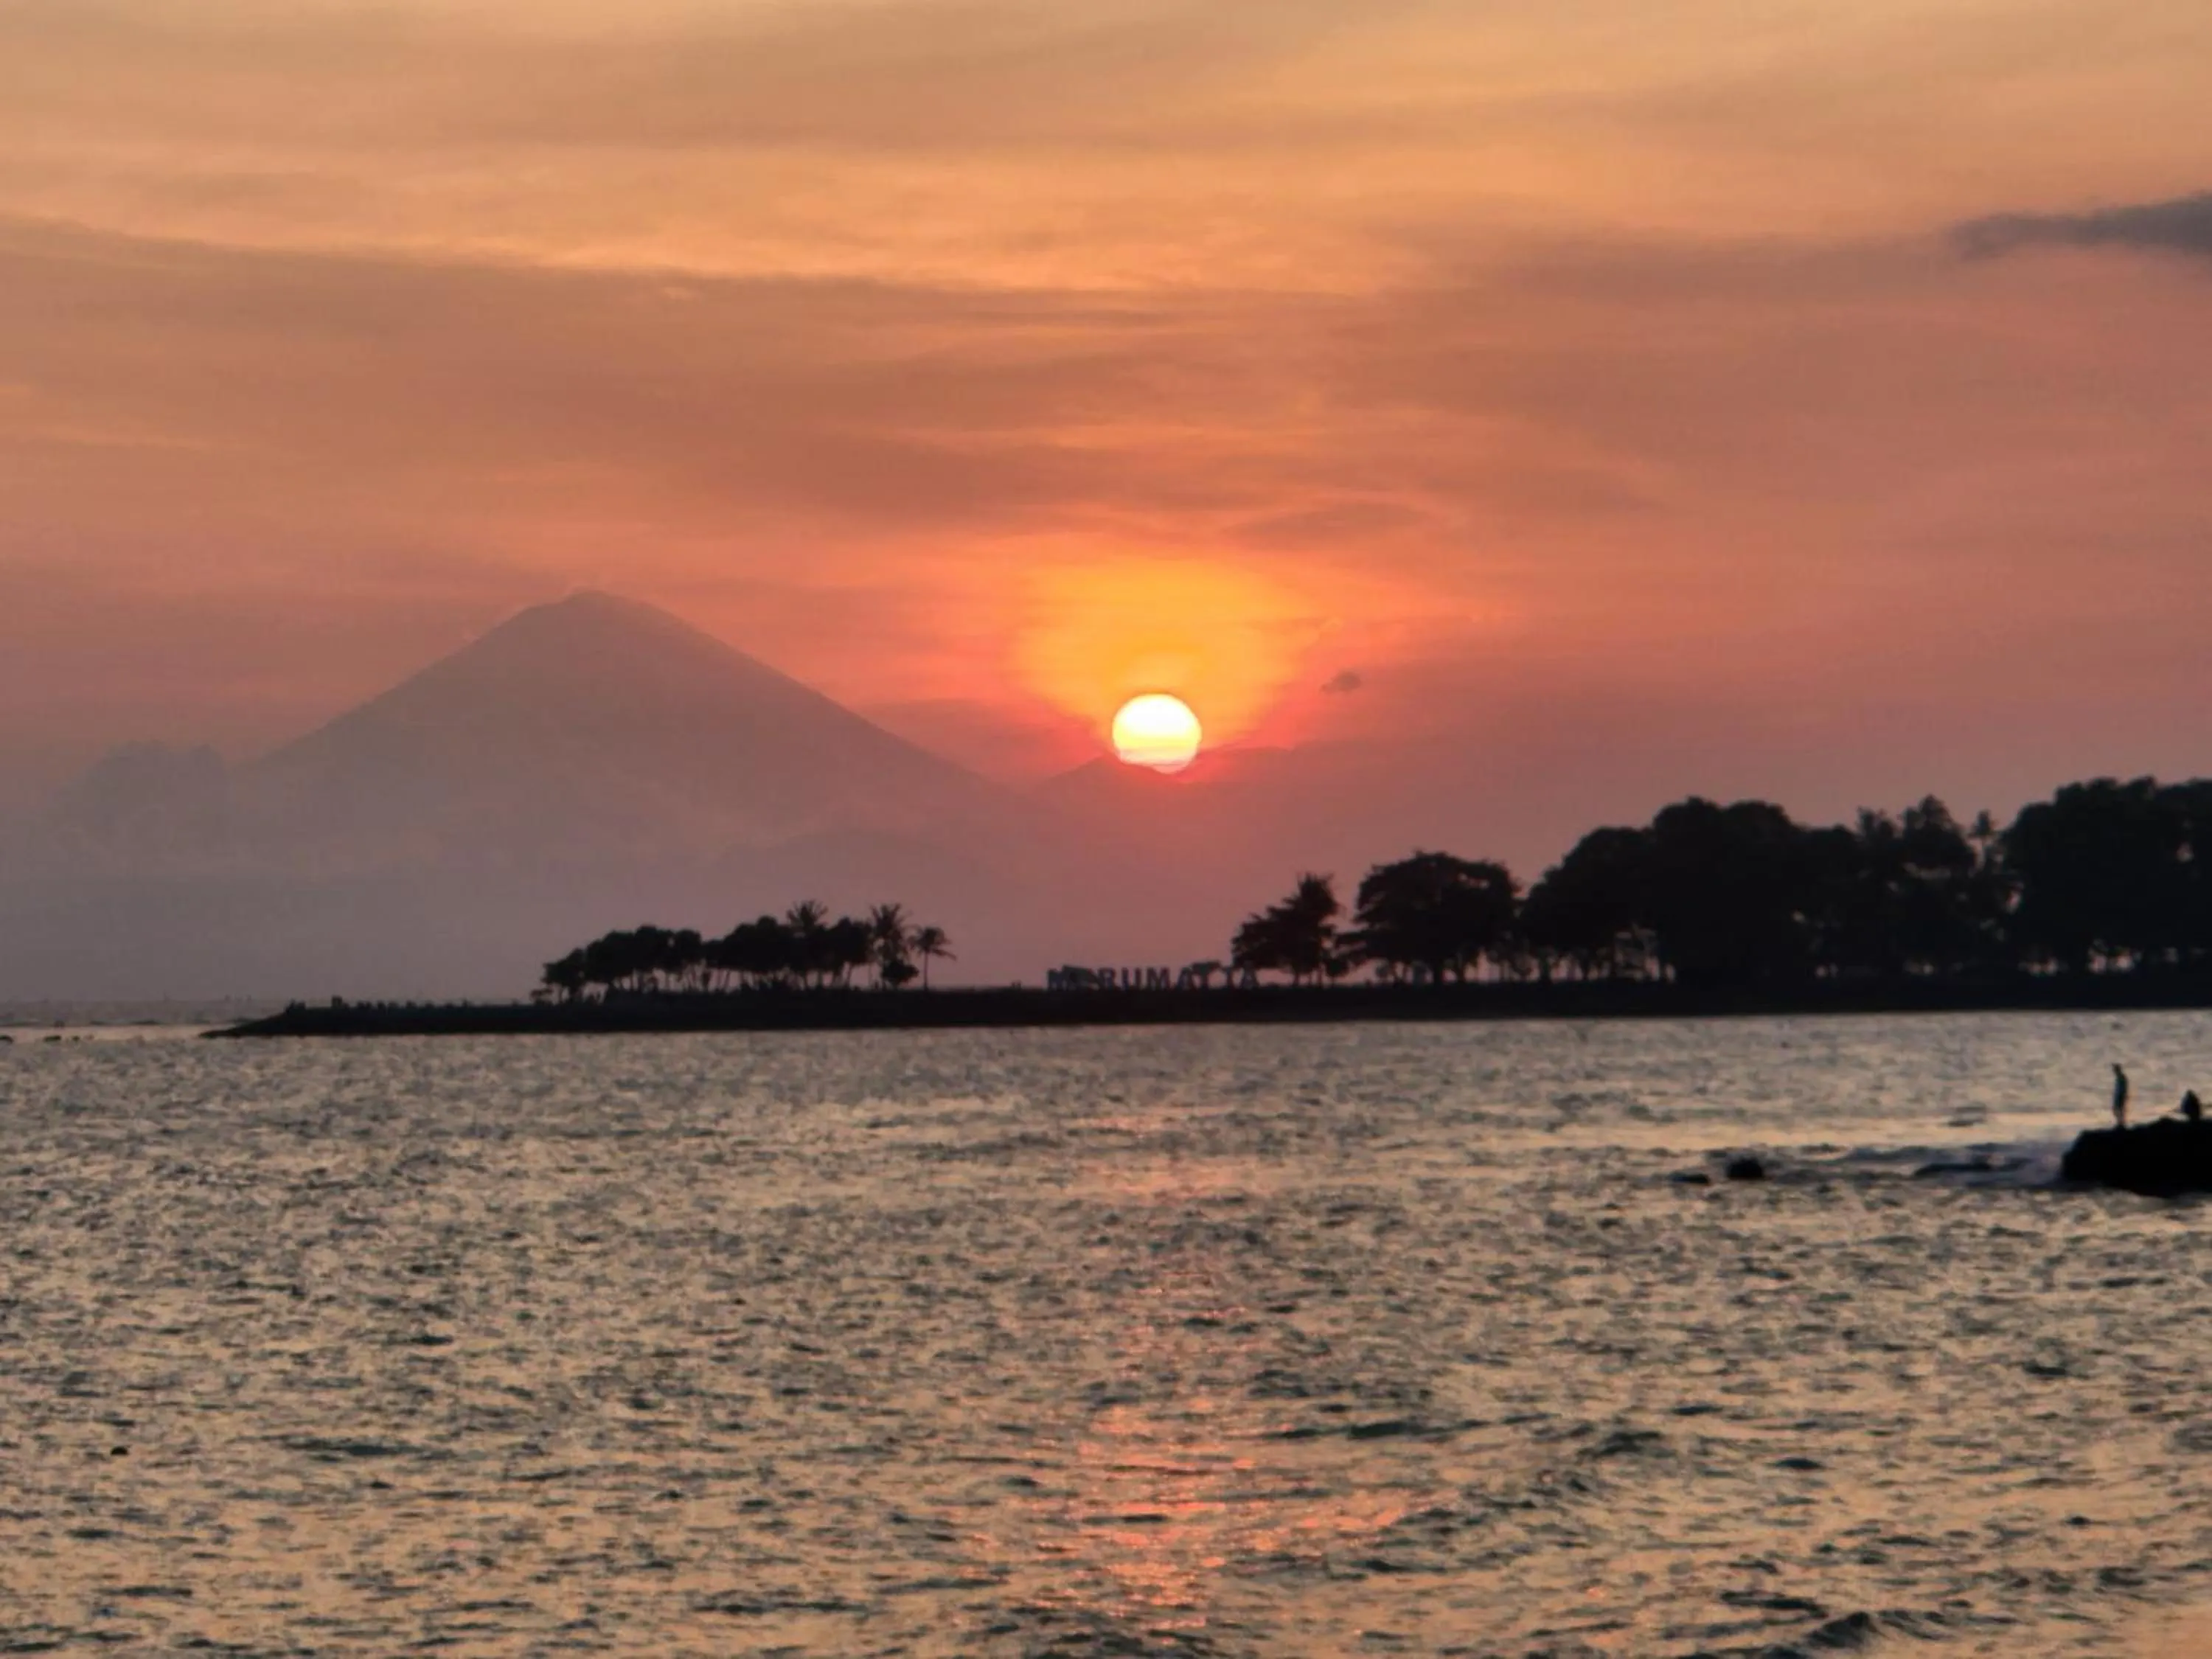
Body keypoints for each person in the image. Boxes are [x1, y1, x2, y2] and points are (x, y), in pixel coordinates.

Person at [2112, 1063, 2130, 1130]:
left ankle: (2121, 1124)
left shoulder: (2121, 1078)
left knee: (2120, 1111)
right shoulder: (2119, 1078)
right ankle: (2120, 1124)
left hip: (2121, 1096)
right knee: (2118, 1111)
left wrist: (2123, 1096)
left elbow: (2123, 1088)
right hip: (2119, 1096)